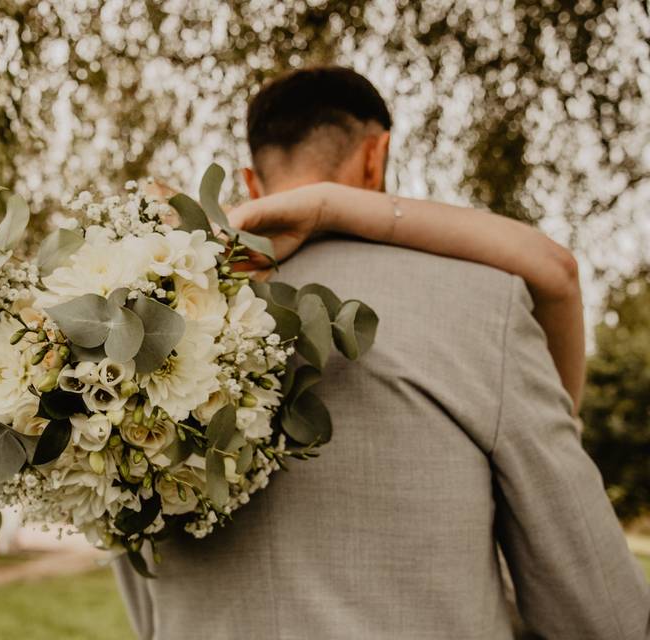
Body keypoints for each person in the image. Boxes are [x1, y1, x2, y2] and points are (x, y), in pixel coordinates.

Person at [114, 66, 650, 639]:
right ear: (378, 155)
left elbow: (144, 602)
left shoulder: (138, 333)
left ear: (250, 177)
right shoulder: (480, 304)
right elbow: (601, 614)